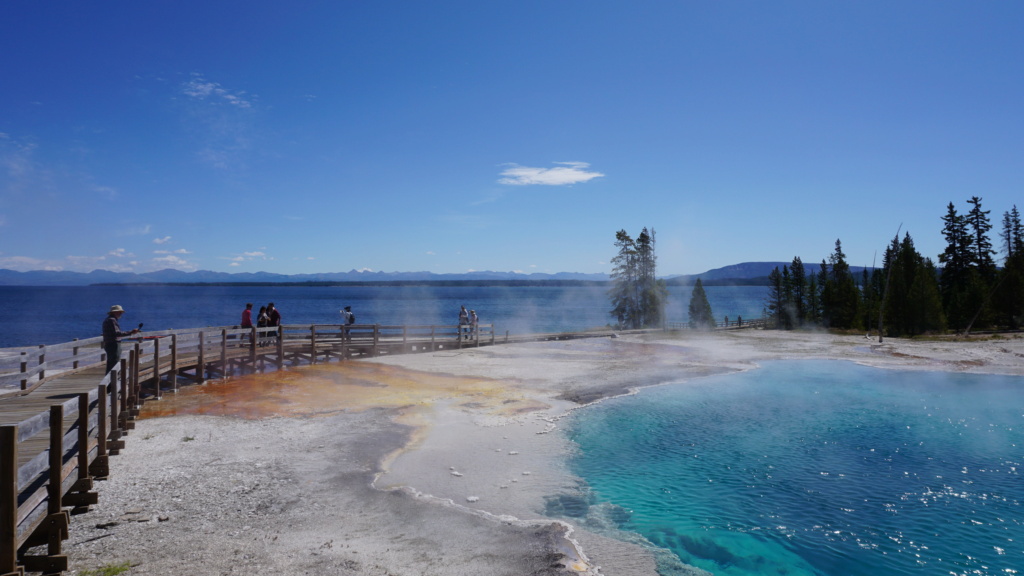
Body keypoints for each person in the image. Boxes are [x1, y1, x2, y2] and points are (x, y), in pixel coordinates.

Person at [102, 305, 139, 374]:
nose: (120, 314)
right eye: (119, 312)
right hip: (113, 344)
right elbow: (117, 333)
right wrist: (131, 332)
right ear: (114, 312)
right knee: (114, 364)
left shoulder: (108, 319)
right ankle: (112, 382)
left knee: (111, 364)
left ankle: (110, 382)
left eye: (121, 312)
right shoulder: (112, 320)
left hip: (109, 344)